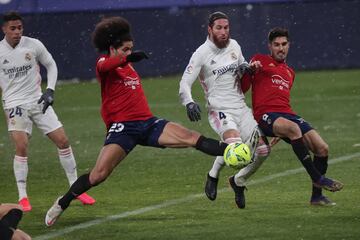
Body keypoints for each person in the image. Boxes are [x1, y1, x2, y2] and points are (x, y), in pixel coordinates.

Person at [44, 16, 229, 227]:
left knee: (191, 137)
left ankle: (231, 150)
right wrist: (126, 59)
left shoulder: (128, 66)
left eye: (131, 49)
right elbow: (106, 67)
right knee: (98, 175)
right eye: (125, 49)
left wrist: (127, 59)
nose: (129, 53)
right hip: (123, 129)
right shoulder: (104, 64)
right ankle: (63, 202)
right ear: (113, 48)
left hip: (148, 123)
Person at [0, 11, 95, 212]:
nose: (17, 32)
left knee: (63, 141)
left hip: (38, 100)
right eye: (13, 28)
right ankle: (23, 197)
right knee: (22, 146)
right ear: (4, 29)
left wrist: (50, 90)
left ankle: (75, 189)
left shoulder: (33, 45)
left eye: (20, 28)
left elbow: (50, 65)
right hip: (14, 104)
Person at [239, 27, 343, 206]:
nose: (281, 48)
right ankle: (317, 177)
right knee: (294, 129)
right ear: (270, 47)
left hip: (287, 115)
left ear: (289, 45)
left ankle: (316, 197)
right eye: (276, 45)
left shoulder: (290, 72)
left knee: (322, 148)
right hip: (265, 114)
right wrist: (250, 70)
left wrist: (283, 129)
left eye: (284, 44)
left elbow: (282, 101)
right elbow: (243, 88)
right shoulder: (259, 60)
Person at [179, 11, 270, 209]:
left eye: (226, 28)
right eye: (219, 28)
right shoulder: (201, 53)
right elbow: (185, 82)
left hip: (241, 107)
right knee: (235, 149)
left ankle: (238, 181)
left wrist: (247, 68)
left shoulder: (234, 45)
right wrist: (189, 102)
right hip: (220, 109)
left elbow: (242, 64)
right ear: (210, 29)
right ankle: (213, 176)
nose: (224, 32)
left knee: (263, 150)